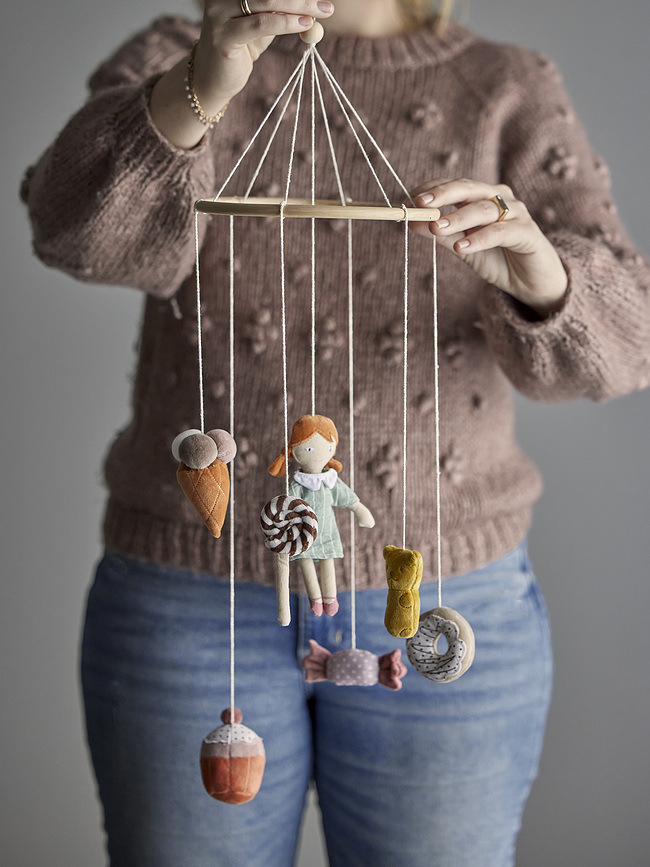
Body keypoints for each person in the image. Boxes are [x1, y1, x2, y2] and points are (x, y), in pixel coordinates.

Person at [20, 0, 650, 865]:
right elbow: (70, 231)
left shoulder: (506, 87)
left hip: (442, 596)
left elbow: (626, 348)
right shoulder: (179, 54)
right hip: (188, 593)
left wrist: (544, 276)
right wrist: (198, 88)